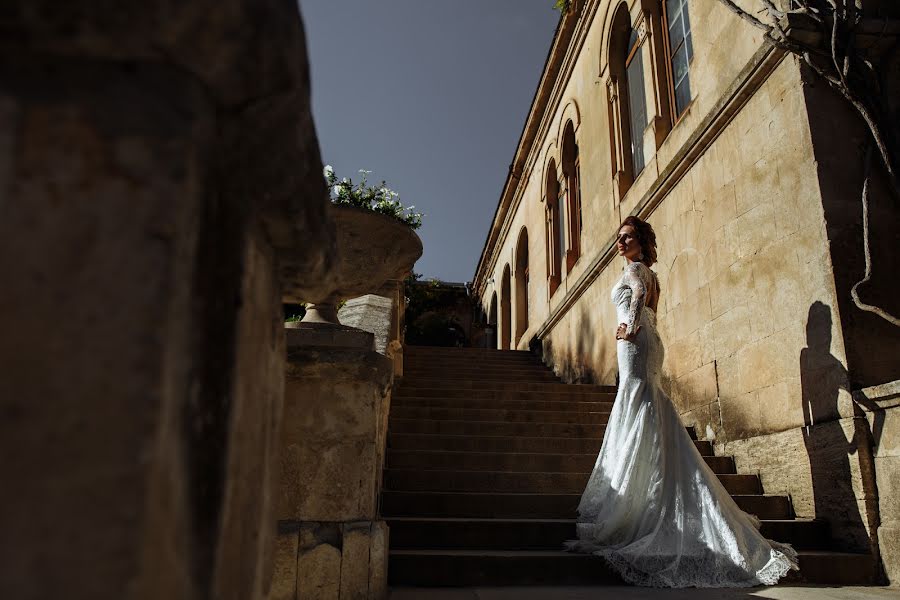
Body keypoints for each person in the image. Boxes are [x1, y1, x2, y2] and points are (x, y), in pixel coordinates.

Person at [565, 215, 799, 587]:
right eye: (618, 239)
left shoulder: (639, 270)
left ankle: (642, 500)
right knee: (645, 405)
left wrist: (630, 324)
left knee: (639, 402)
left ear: (641, 241)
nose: (620, 244)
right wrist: (636, 324)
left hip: (637, 342)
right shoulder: (648, 271)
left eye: (626, 237)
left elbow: (639, 296)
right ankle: (650, 485)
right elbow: (646, 299)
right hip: (647, 340)